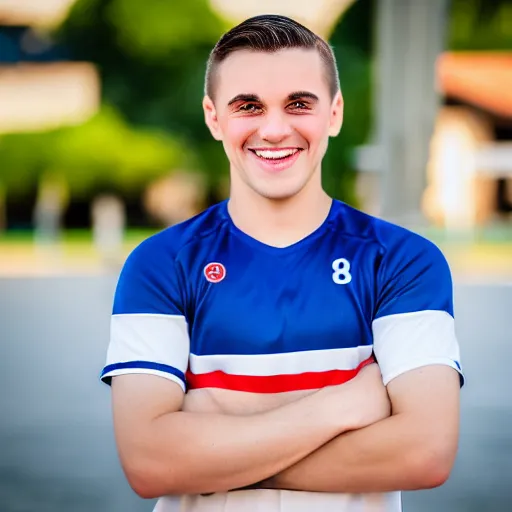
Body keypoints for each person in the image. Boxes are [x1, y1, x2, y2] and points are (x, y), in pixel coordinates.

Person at [100, 14, 464, 512]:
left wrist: (211, 449)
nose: (274, 129)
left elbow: (425, 453)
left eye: (299, 104)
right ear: (213, 117)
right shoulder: (160, 265)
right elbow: (150, 464)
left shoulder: (402, 262)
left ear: (333, 114)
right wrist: (343, 405)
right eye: (248, 106)